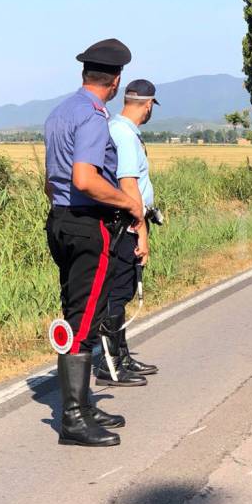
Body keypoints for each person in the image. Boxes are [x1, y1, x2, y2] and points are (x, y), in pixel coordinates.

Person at [44, 38, 144, 448]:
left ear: (86, 73)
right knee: (84, 320)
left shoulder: (60, 112)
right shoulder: (91, 117)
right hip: (88, 224)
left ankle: (83, 405)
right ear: (116, 80)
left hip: (61, 220)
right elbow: (85, 178)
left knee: (75, 312)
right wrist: (129, 204)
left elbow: (54, 179)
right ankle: (72, 420)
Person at [93, 79, 161, 387]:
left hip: (124, 219)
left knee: (122, 290)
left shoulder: (119, 128)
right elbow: (129, 184)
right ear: (147, 105)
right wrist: (141, 228)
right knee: (118, 292)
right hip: (126, 222)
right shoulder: (124, 134)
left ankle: (122, 356)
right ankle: (112, 364)